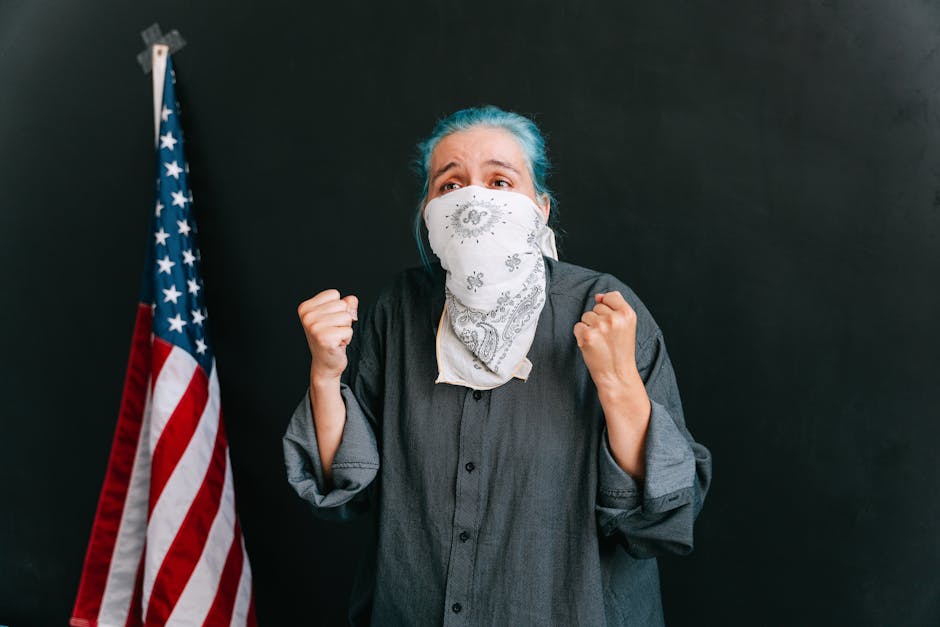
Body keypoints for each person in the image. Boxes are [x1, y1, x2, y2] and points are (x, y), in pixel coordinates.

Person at [283, 105, 713, 626]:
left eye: (500, 180)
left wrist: (618, 382)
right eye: (450, 185)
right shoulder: (399, 309)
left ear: (541, 207)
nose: (474, 199)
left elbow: (660, 518)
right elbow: (348, 489)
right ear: (429, 213)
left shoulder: (604, 307)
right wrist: (326, 374)